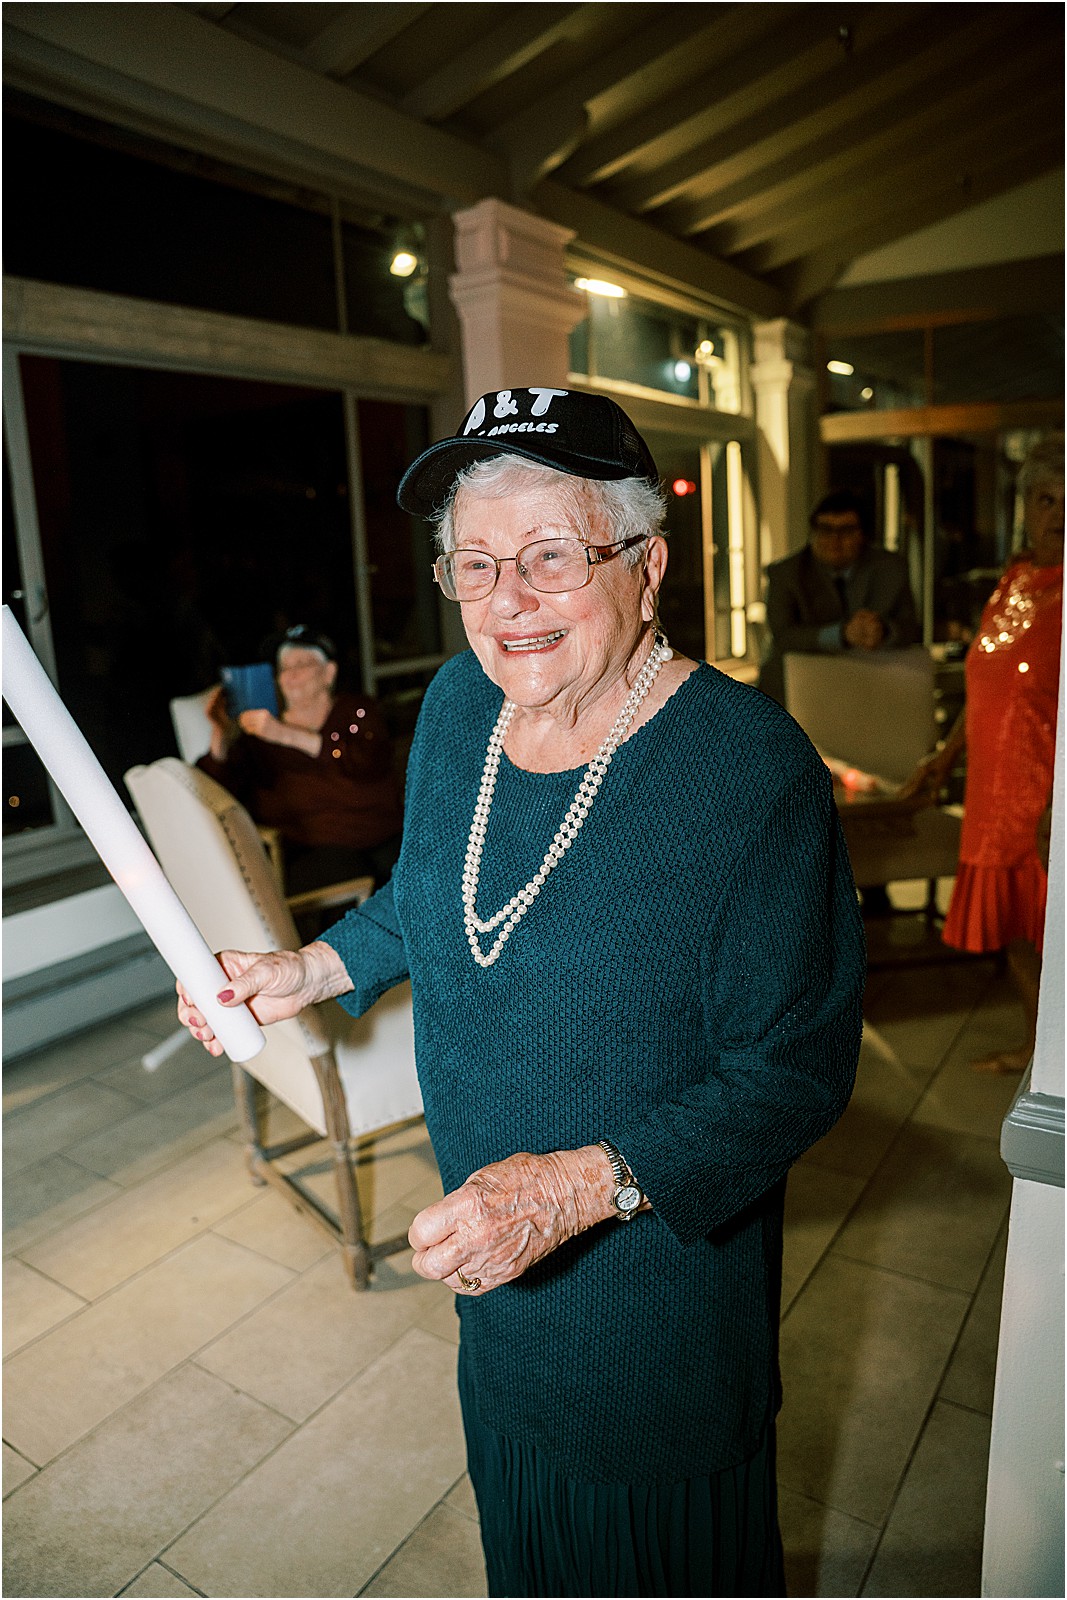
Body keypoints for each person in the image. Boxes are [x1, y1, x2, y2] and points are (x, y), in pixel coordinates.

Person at [177, 388, 865, 1597]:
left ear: (646, 565)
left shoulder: (750, 769)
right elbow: (422, 895)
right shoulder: (456, 709)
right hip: (494, 1276)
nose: (505, 600)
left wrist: (570, 1187)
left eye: (551, 554)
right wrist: (310, 967)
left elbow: (792, 1072)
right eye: (474, 562)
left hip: (652, 1306)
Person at [942, 436, 1063, 1072]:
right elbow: (984, 679)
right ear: (1026, 506)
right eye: (1047, 499)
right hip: (993, 790)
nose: (1059, 513)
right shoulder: (1012, 581)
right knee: (1019, 934)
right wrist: (945, 754)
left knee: (1056, 937)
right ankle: (1040, 1051)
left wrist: (1056, 809)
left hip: (1044, 794)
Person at [198, 624, 402, 894]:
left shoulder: (356, 711)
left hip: (386, 838)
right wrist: (220, 733)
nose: (290, 674)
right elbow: (214, 791)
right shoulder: (260, 735)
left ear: (329, 673)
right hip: (315, 853)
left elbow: (366, 762)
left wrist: (285, 735)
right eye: (283, 667)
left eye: (302, 664)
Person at [758, 489, 919, 704]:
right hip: (795, 690)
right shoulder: (786, 573)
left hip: (870, 685)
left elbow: (912, 628)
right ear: (812, 532)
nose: (835, 539)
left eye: (846, 530)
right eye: (825, 529)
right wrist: (841, 635)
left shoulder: (890, 568)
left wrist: (883, 631)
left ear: (862, 534)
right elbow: (784, 635)